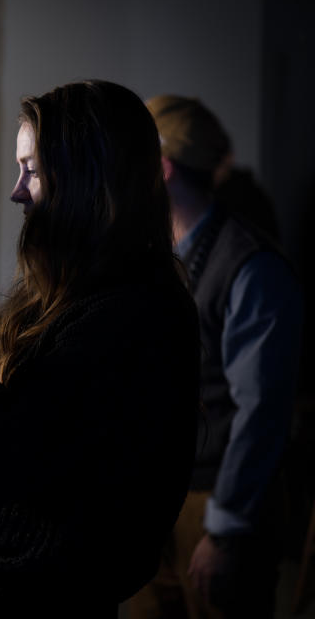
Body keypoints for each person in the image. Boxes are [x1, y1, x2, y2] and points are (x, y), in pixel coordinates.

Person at [0, 80, 201, 617]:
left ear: (87, 178)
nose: (16, 191)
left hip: (35, 596)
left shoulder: (129, 312)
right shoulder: (62, 290)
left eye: (31, 170)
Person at [128, 95, 304, 619]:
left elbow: (262, 412)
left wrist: (225, 532)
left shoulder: (252, 268)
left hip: (216, 505)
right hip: (158, 499)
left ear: (161, 169)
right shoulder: (154, 252)